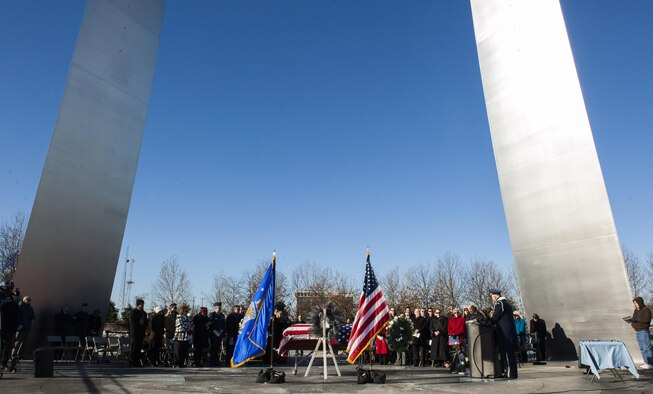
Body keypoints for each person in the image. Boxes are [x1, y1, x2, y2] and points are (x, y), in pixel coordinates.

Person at [489, 288, 518, 379]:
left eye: (492, 297)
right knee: (509, 353)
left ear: (495, 296)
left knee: (506, 353)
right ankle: (510, 372)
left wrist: (489, 321)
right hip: (509, 331)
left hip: (505, 332)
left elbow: (497, 316)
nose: (492, 299)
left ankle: (509, 373)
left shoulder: (500, 303)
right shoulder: (507, 303)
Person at [9, 296, 35, 371]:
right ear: (24, 300)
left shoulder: (30, 308)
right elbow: (17, 317)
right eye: (28, 300)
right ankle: (13, 355)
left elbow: (33, 316)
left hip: (27, 328)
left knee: (24, 343)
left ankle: (20, 355)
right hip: (21, 328)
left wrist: (31, 316)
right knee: (17, 342)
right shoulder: (20, 306)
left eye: (30, 300)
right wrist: (20, 325)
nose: (29, 301)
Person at [630, 296, 652, 369]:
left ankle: (650, 363)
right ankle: (646, 362)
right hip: (638, 331)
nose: (635, 305)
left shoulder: (646, 310)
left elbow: (645, 320)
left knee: (647, 348)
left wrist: (636, 320)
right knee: (642, 348)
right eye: (634, 304)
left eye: (636, 303)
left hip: (644, 331)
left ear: (640, 303)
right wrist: (633, 324)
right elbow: (633, 320)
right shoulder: (636, 310)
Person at [130, 299, 148, 367]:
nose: (142, 305)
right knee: (134, 347)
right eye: (141, 304)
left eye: (143, 304)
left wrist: (143, 329)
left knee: (139, 348)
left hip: (141, 332)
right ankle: (132, 361)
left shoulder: (144, 313)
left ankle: (137, 361)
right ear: (138, 304)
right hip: (135, 333)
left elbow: (146, 322)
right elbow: (133, 323)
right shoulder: (134, 311)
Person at [208, 302, 225, 366]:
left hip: (219, 334)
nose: (220, 309)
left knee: (218, 348)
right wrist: (215, 331)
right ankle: (212, 361)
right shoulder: (212, 314)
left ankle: (217, 361)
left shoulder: (222, 315)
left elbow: (223, 324)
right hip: (214, 334)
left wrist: (222, 330)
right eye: (218, 308)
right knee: (213, 348)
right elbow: (211, 324)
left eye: (220, 307)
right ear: (215, 308)